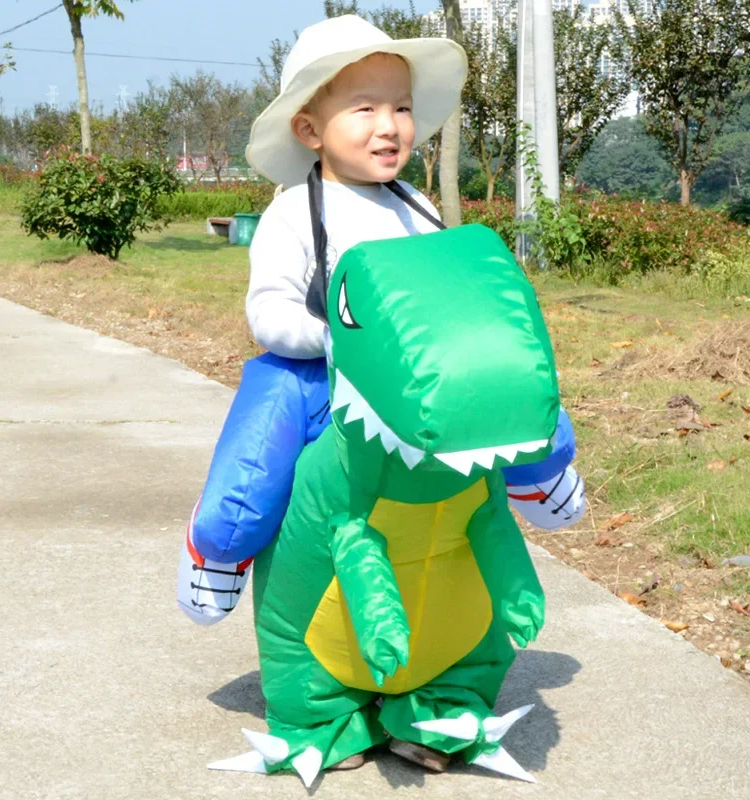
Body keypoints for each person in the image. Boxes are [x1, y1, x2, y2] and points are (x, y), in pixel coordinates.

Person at [178, 11, 583, 689]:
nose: (389, 125)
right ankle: (220, 542)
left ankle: (539, 471)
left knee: (507, 378)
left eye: (399, 107)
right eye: (363, 108)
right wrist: (337, 339)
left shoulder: (415, 205)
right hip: (326, 374)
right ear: (309, 129)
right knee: (268, 411)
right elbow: (268, 312)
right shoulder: (291, 213)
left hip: (416, 381)